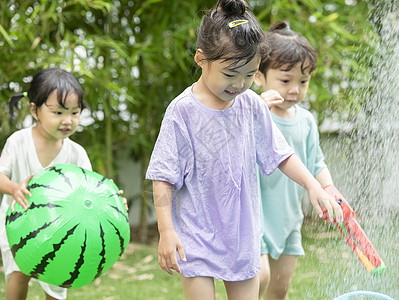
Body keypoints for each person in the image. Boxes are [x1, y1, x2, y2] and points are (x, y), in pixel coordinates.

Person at [145, 1, 342, 299]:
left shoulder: (250, 105)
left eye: (249, 74)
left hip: (241, 238)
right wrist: (166, 231)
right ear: (201, 59)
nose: (239, 84)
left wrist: (314, 185)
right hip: (196, 236)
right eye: (230, 74)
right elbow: (163, 176)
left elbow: (281, 154)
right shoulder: (182, 112)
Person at [0, 68, 91, 300]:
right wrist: (14, 188)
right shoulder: (18, 142)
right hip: (17, 225)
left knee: (57, 281)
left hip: (60, 230)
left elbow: (90, 188)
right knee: (19, 274)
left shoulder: (77, 153)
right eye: (58, 112)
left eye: (75, 112)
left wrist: (112, 200)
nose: (67, 120)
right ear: (34, 110)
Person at [253, 21, 336, 300]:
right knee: (259, 277)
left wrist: (329, 189)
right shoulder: (253, 114)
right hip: (255, 217)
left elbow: (316, 164)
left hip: (288, 219)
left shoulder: (307, 121)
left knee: (280, 288)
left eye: (303, 82)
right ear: (258, 77)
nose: (294, 90)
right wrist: (256, 112)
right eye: (285, 80)